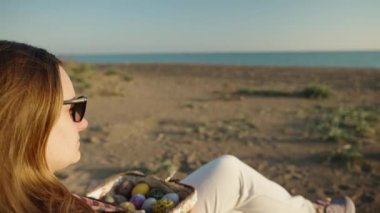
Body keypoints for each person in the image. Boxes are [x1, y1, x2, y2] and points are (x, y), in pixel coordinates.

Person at [0, 40, 355, 213]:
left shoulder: (19, 193)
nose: (85, 122)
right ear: (25, 121)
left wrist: (91, 200)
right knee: (233, 174)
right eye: (73, 109)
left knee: (229, 172)